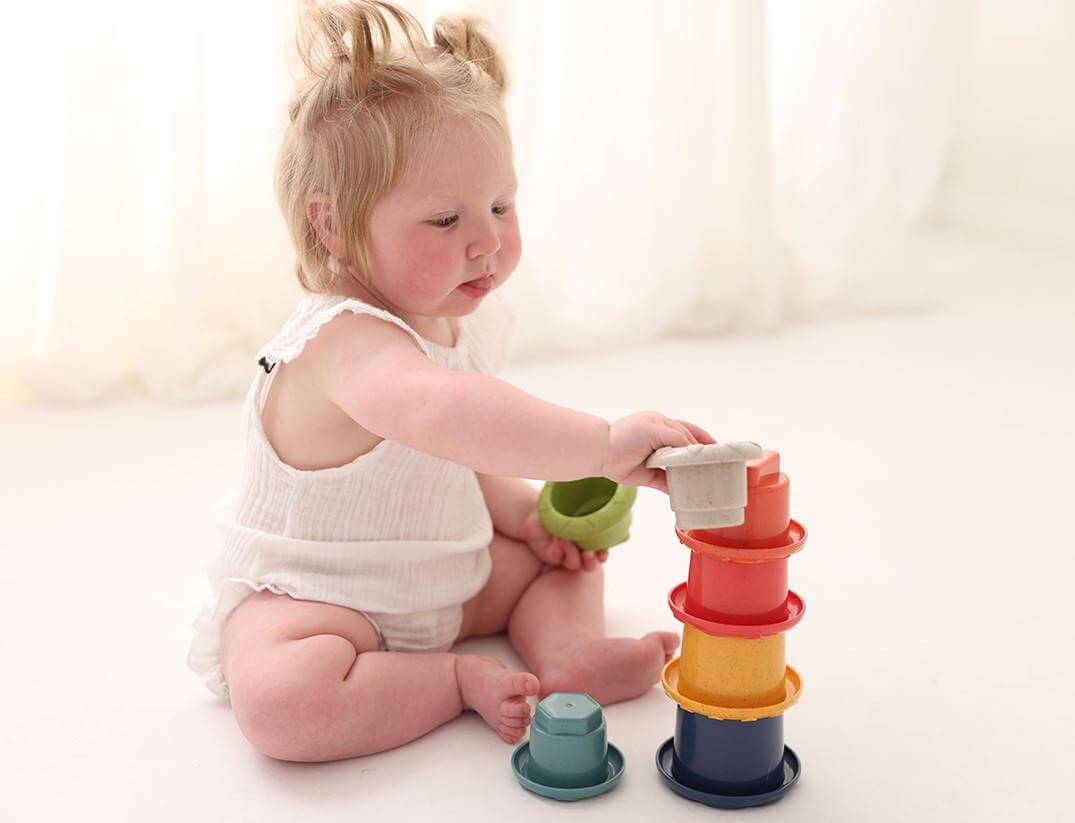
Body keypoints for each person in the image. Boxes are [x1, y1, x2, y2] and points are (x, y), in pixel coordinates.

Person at [187, 0, 715, 763]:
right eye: (445, 220)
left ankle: (566, 651)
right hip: (323, 598)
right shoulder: (342, 342)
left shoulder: (460, 320)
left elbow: (459, 452)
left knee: (560, 555)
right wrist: (599, 445)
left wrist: (523, 514)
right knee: (282, 702)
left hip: (451, 575)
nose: (488, 239)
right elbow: (441, 413)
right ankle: (449, 680)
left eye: (500, 205)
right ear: (333, 226)